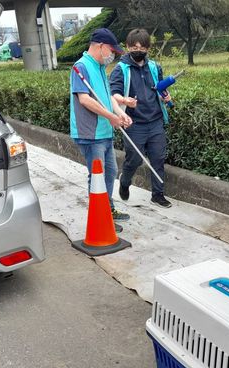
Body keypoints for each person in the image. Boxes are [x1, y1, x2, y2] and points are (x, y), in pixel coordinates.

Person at [70, 28, 132, 230]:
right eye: (111, 51)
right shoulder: (81, 67)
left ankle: (108, 209)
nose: (112, 55)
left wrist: (119, 113)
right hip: (90, 133)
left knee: (110, 171)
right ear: (101, 46)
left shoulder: (98, 67)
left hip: (104, 131)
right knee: (97, 175)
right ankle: (101, 218)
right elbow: (85, 99)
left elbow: (106, 98)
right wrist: (111, 117)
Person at [109, 28, 172, 208]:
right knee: (134, 159)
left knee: (158, 158)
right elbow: (113, 94)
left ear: (147, 48)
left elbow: (159, 89)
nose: (138, 50)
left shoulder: (154, 67)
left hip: (155, 121)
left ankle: (158, 195)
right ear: (127, 47)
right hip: (133, 123)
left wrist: (165, 97)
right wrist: (125, 101)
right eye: (134, 47)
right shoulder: (121, 69)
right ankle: (125, 181)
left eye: (142, 47)